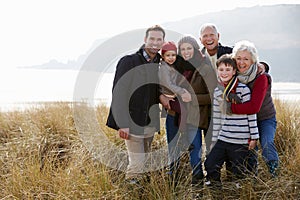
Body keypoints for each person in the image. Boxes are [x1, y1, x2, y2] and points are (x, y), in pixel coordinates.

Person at [106, 25, 170, 185]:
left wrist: (162, 97)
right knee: (137, 164)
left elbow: (153, 91)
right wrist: (122, 124)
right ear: (145, 40)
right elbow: (118, 94)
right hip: (131, 122)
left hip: (149, 122)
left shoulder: (159, 65)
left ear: (163, 42)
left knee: (145, 161)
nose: (155, 43)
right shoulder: (129, 62)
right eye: (152, 39)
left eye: (159, 39)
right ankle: (131, 191)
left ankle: (142, 191)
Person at [204, 54, 259, 191]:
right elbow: (217, 119)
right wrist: (213, 141)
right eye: (221, 70)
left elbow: (251, 114)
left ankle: (237, 193)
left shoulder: (243, 90)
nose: (224, 73)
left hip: (240, 139)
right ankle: (216, 192)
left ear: (234, 71)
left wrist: (254, 136)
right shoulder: (217, 92)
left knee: (238, 171)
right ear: (217, 71)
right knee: (210, 164)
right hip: (224, 138)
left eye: (228, 69)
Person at [230, 40, 279, 177]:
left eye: (246, 59)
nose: (241, 62)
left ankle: (274, 173)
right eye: (238, 58)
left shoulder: (262, 78)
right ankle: (252, 177)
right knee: (249, 149)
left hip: (265, 119)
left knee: (267, 144)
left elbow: (254, 107)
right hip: (245, 119)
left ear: (253, 61)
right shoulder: (233, 77)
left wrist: (230, 108)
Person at [176, 35, 212, 188]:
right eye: (182, 49)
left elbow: (212, 96)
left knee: (211, 151)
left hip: (207, 116)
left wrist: (192, 98)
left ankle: (212, 180)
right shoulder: (179, 68)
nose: (186, 52)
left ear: (195, 49)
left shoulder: (205, 68)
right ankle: (197, 181)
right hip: (190, 118)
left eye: (189, 48)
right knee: (194, 150)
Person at [158, 41, 192, 181]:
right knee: (172, 140)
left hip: (176, 102)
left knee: (180, 139)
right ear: (163, 56)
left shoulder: (174, 66)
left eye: (173, 55)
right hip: (171, 101)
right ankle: (173, 172)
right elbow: (168, 84)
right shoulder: (163, 68)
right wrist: (182, 90)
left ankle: (179, 168)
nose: (171, 57)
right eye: (168, 55)